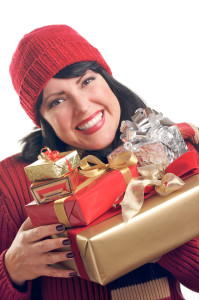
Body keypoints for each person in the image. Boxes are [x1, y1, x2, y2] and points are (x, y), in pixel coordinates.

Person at [0, 25, 199, 300]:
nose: (82, 107)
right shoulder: (11, 184)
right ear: (42, 119)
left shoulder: (171, 146)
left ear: (107, 78)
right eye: (57, 101)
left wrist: (157, 232)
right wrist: (10, 269)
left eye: (86, 81)